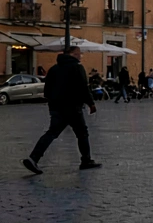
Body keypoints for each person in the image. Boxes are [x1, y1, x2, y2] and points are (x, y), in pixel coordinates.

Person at [23, 45, 100, 174]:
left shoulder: (54, 69)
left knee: (51, 133)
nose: (80, 56)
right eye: (79, 53)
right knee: (82, 133)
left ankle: (33, 158)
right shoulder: (77, 67)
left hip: (56, 107)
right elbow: (83, 87)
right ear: (72, 54)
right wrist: (91, 103)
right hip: (73, 107)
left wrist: (53, 102)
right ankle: (86, 160)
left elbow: (47, 90)